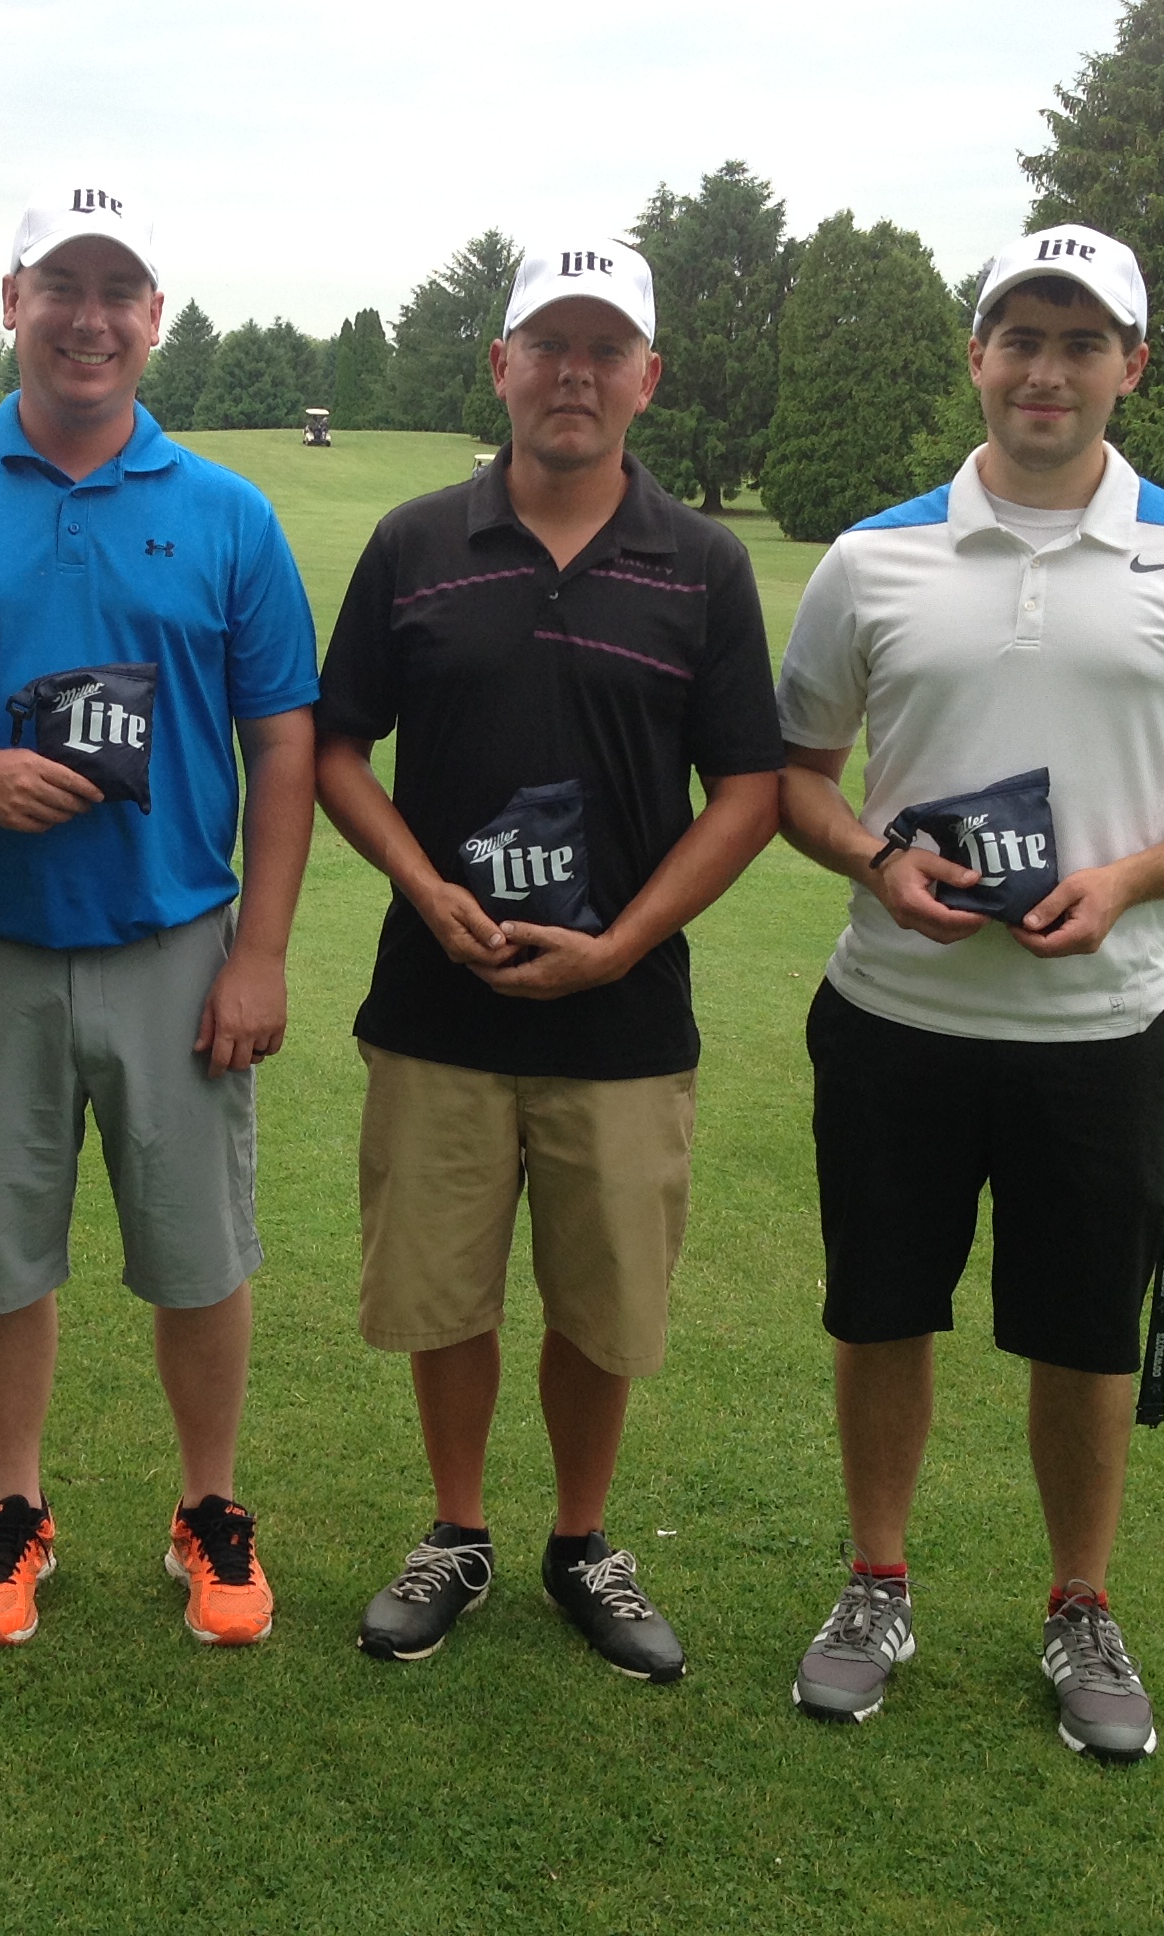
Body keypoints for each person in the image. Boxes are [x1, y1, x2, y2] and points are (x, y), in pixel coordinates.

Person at [773, 224, 1164, 1758]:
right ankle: (877, 1582)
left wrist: (1130, 877)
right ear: (979, 357)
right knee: (882, 1311)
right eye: (1022, 336)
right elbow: (797, 777)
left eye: (1083, 343)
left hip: (1102, 1031)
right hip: (893, 1015)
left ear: (1131, 367)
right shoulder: (875, 553)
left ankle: (1081, 1604)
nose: (1048, 370)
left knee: (1083, 1335)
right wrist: (879, 861)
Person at [0, 186, 317, 1649]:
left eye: (123, 290)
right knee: (3, 1248)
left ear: (156, 317)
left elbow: (284, 736)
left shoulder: (226, 511)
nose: (91, 317)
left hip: (176, 950)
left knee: (199, 1250)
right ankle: (14, 1508)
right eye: (64, 285)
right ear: (13, 298)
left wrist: (265, 952)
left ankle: (209, 1510)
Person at [314, 241, 782, 1683]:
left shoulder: (701, 564)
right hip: (437, 1001)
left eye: (604, 348)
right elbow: (335, 751)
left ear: (647, 377)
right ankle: (458, 1532)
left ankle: (583, 1540)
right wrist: (420, 882)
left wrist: (626, 942)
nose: (573, 373)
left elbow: (752, 788)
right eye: (547, 343)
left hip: (624, 1015)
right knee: (444, 1290)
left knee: (601, 1301)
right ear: (501, 364)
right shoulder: (412, 546)